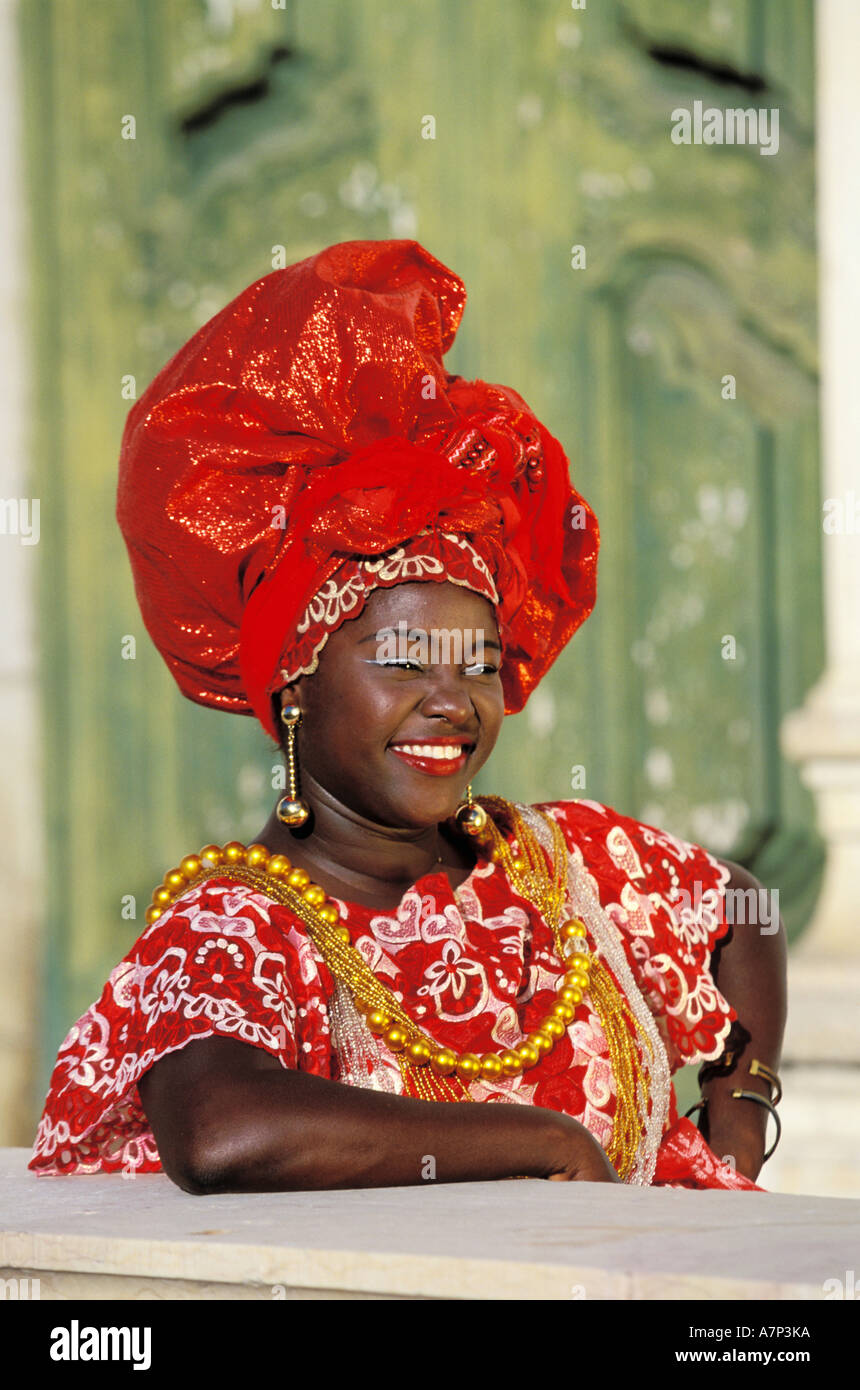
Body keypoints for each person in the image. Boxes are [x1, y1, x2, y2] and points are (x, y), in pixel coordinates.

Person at [29, 239, 786, 1193]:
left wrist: (742, 1107)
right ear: (296, 682)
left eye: (478, 662)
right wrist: (545, 1141)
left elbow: (742, 912)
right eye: (402, 660)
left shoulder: (566, 866)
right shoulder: (236, 928)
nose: (454, 700)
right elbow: (223, 1132)